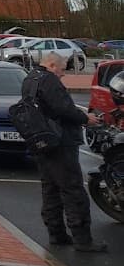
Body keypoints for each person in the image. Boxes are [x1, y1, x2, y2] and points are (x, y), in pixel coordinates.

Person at [28, 52, 108, 252]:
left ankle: (56, 234)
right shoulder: (49, 81)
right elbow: (63, 108)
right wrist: (85, 118)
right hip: (60, 142)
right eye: (62, 70)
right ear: (53, 65)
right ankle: (83, 239)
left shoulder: (30, 79)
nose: (63, 75)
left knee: (50, 190)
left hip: (41, 141)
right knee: (73, 190)